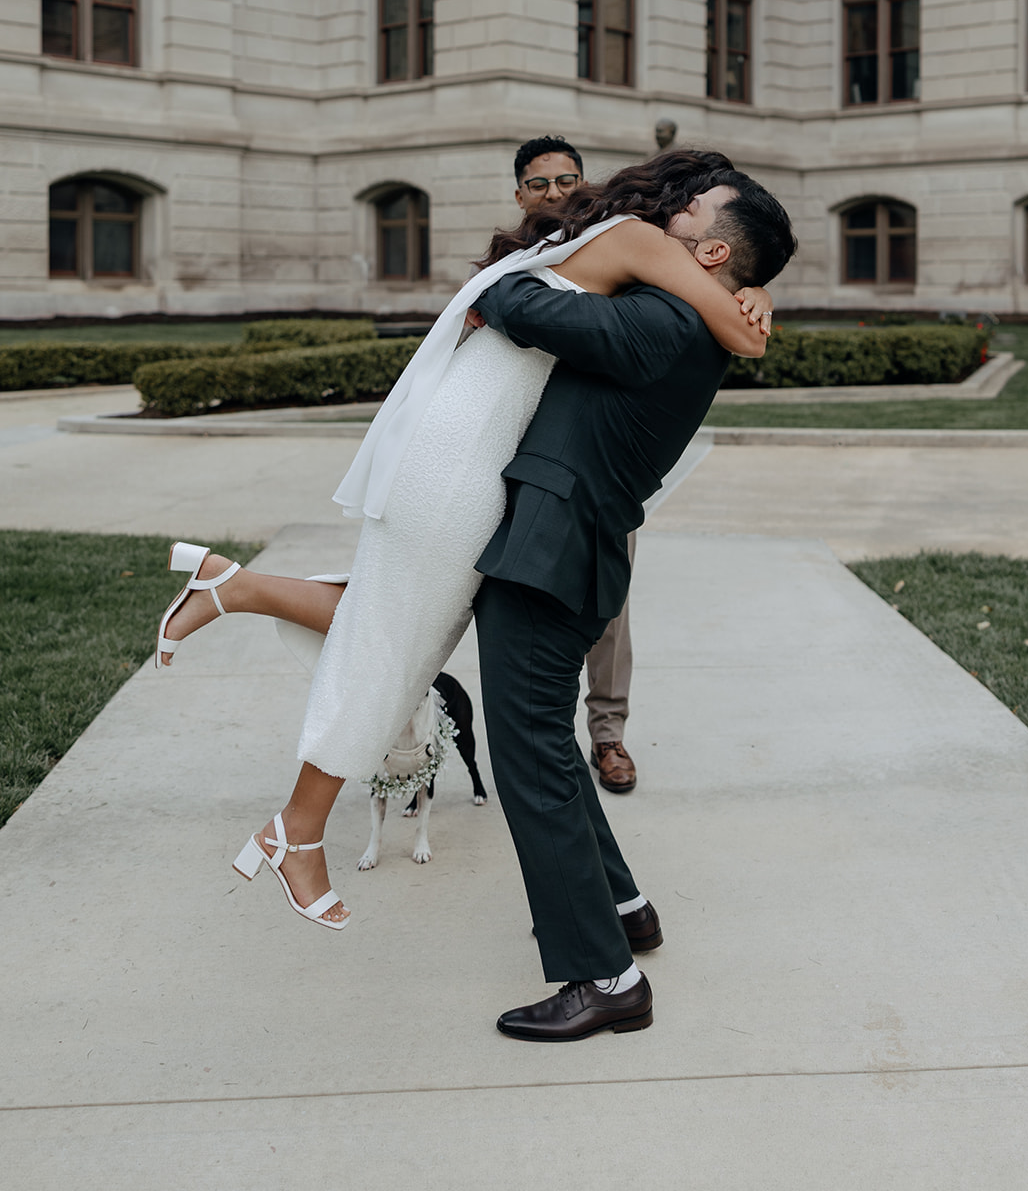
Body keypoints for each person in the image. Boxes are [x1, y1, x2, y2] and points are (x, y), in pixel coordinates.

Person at [153, 152, 786, 957]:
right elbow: (733, 330)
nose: (690, 207)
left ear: (713, 244)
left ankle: (232, 595)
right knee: (395, 642)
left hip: (471, 453)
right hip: (463, 460)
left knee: (405, 627)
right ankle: (295, 830)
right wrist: (751, 305)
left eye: (704, 207)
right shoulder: (643, 241)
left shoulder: (637, 251)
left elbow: (701, 303)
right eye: (693, 198)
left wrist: (752, 287)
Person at [472, 165, 796, 1039]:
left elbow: (525, 305)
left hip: (550, 552)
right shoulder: (697, 314)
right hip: (567, 549)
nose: (668, 215)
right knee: (547, 747)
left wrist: (497, 290)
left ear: (712, 250)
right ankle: (626, 908)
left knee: (530, 761)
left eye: (688, 213)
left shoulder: (667, 318)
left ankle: (603, 979)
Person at [510, 136, 638, 793]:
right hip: (513, 456)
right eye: (540, 183)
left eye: (567, 179)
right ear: (518, 195)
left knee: (605, 605)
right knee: (512, 604)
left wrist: (756, 287)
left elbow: (707, 272)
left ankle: (608, 735)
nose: (556, 193)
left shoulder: (620, 245)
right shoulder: (505, 265)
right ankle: (537, 734)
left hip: (600, 458)